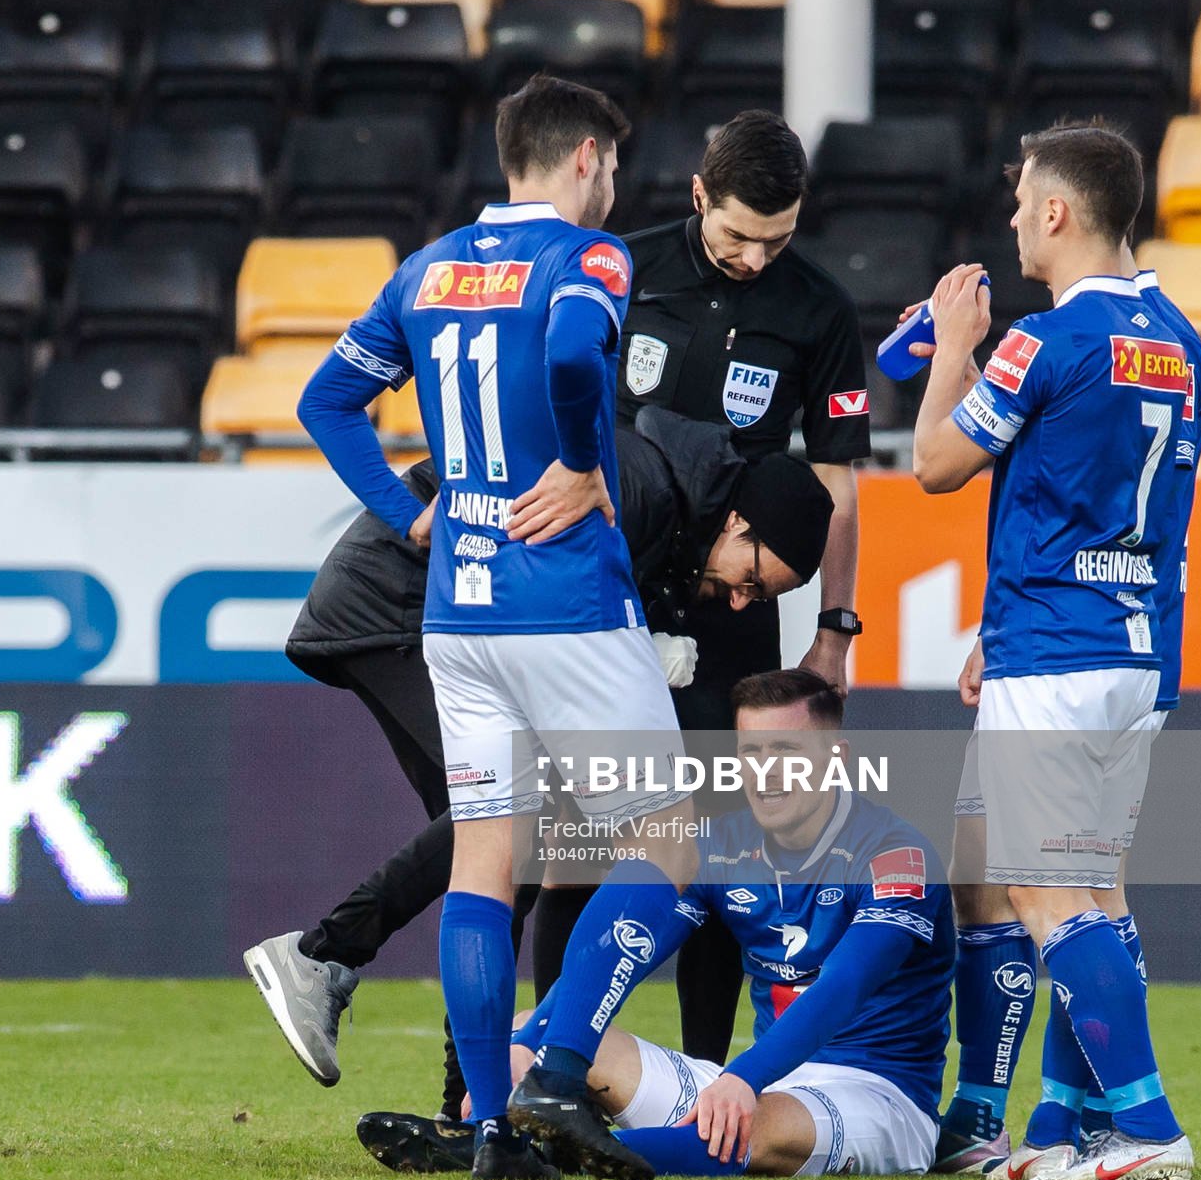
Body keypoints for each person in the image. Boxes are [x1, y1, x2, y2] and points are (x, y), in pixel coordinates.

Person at [297, 73, 698, 1180]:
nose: (613, 184)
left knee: (486, 857)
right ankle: (558, 1070)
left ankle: (487, 1126)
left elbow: (325, 401)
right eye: (612, 164)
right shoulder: (589, 256)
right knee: (672, 845)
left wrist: (408, 514)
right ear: (584, 156)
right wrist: (579, 460)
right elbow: (571, 354)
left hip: (458, 611)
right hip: (565, 604)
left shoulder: (425, 270)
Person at [245, 407, 834, 1117]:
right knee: (508, 830)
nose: (740, 603)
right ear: (738, 522)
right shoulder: (642, 493)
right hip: (406, 601)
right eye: (753, 580)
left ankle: (467, 1106)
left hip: (431, 603)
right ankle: (326, 957)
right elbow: (540, 600)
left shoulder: (667, 503)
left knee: (502, 856)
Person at [909, 121, 1201, 1180]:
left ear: (1056, 211)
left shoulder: (1044, 339)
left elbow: (937, 462)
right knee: (1099, 894)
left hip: (1059, 651)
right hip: (1136, 651)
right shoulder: (1181, 339)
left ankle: (1149, 1127)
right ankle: (1068, 1125)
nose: (1012, 218)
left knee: (1040, 891)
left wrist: (954, 347)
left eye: (1022, 200)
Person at [359, 671, 955, 1180]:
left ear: (837, 758)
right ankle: (494, 1137)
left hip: (876, 1094)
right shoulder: (720, 843)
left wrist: (744, 1078)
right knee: (534, 1030)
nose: (767, 773)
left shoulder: (897, 854)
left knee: (750, 1127)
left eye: (787, 751)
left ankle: (526, 1155)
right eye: (752, 753)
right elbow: (630, 949)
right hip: (762, 1078)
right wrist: (527, 1047)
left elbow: (843, 987)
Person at [611, 110, 872, 1069]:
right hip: (612, 598)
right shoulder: (622, 270)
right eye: (737, 236)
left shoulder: (819, 309)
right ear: (698, 195)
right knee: (560, 849)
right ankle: (508, 1081)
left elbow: (839, 484)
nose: (756, 259)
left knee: (728, 855)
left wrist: (833, 630)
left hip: (735, 606)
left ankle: (706, 1080)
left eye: (778, 239)